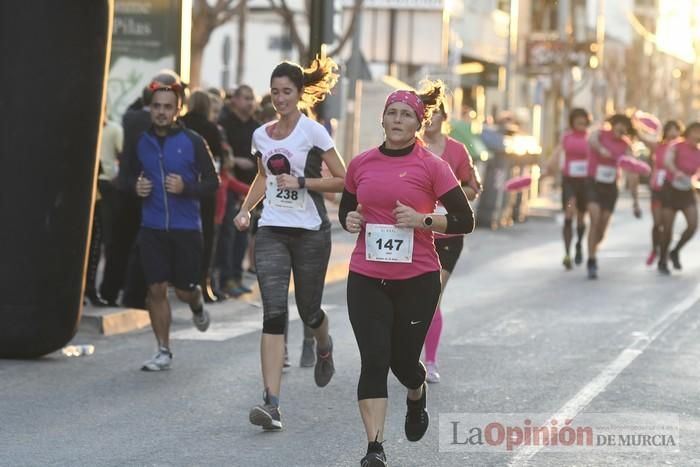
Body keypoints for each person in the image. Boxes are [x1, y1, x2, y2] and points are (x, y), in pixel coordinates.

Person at [339, 81, 474, 467]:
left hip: (417, 278)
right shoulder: (361, 163)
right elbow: (348, 207)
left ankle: (416, 393)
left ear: (419, 123)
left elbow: (465, 219)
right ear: (382, 119)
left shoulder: (433, 166)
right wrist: (349, 218)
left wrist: (422, 220)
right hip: (366, 276)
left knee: (402, 363)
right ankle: (375, 448)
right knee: (374, 359)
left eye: (407, 115)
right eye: (392, 113)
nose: (398, 119)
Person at [233, 57, 346, 431]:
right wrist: (246, 209)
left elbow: (344, 181)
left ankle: (323, 344)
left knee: (310, 309)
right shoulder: (261, 135)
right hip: (272, 230)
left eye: (287, 92)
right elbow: (263, 179)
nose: (280, 98)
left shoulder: (314, 133)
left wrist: (303, 184)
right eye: (275, 92)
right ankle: (272, 404)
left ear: (299, 93)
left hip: (312, 230)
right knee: (274, 313)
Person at [125, 80, 219, 371]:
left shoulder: (193, 141)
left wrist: (186, 187)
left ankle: (196, 303)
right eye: (157, 107)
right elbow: (124, 177)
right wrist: (135, 186)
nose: (162, 112)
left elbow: (213, 183)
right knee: (155, 289)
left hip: (186, 229)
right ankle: (163, 350)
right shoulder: (140, 141)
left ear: (178, 109)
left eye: (168, 107)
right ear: (150, 109)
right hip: (152, 227)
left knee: (183, 291)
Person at [421, 101, 481, 384]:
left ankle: (430, 361)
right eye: (426, 114)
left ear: (445, 118)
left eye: (436, 115)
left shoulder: (457, 150)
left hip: (448, 236)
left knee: (432, 295)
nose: (430, 119)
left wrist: (450, 192)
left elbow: (473, 187)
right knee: (410, 299)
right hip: (416, 232)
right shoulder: (411, 146)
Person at [586, 114, 641, 279]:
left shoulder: (626, 146)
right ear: (613, 125)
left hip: (610, 187)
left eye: (625, 127)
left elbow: (632, 173)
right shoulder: (599, 134)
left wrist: (635, 201)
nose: (621, 129)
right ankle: (591, 259)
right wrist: (601, 149)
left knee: (602, 226)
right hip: (593, 182)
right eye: (619, 125)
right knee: (594, 219)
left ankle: (593, 247)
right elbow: (591, 141)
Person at [182, 90, 225, 303]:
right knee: (206, 237)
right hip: (204, 188)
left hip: (181, 186)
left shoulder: (180, 124)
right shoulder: (211, 129)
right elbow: (219, 159)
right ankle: (202, 281)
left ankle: (183, 279)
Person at [220, 84, 260, 296]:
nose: (249, 102)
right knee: (229, 234)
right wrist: (235, 161)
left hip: (250, 189)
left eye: (251, 98)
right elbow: (220, 154)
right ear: (234, 100)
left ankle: (236, 276)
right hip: (229, 187)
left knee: (243, 236)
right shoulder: (224, 124)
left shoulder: (257, 127)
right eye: (245, 97)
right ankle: (225, 278)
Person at [545, 108, 591, 269]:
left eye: (584, 121)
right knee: (569, 211)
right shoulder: (566, 137)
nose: (581, 124)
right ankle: (567, 253)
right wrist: (549, 167)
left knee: (581, 216)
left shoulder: (591, 138)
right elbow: (558, 153)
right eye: (578, 121)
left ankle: (579, 244)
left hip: (585, 182)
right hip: (570, 181)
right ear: (572, 122)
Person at [657, 122, 700, 274]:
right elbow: (667, 161)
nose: (697, 135)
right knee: (667, 228)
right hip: (670, 189)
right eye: (695, 131)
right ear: (688, 133)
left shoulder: (698, 151)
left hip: (687, 190)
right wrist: (676, 171)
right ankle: (662, 259)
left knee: (693, 225)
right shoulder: (676, 146)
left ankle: (675, 251)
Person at [645, 120, 683, 267]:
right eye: (670, 130)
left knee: (667, 225)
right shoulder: (658, 146)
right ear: (665, 132)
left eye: (676, 130)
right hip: (657, 189)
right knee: (657, 223)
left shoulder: (682, 149)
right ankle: (655, 249)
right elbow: (641, 138)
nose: (673, 133)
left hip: (673, 190)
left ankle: (664, 253)